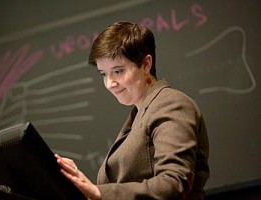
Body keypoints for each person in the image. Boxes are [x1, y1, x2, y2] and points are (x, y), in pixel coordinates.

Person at [55, 21, 210, 200]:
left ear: (146, 64)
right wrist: (80, 184)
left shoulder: (171, 104)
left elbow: (174, 183)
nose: (109, 84)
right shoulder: (141, 113)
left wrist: (98, 192)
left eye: (118, 71)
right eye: (103, 74)